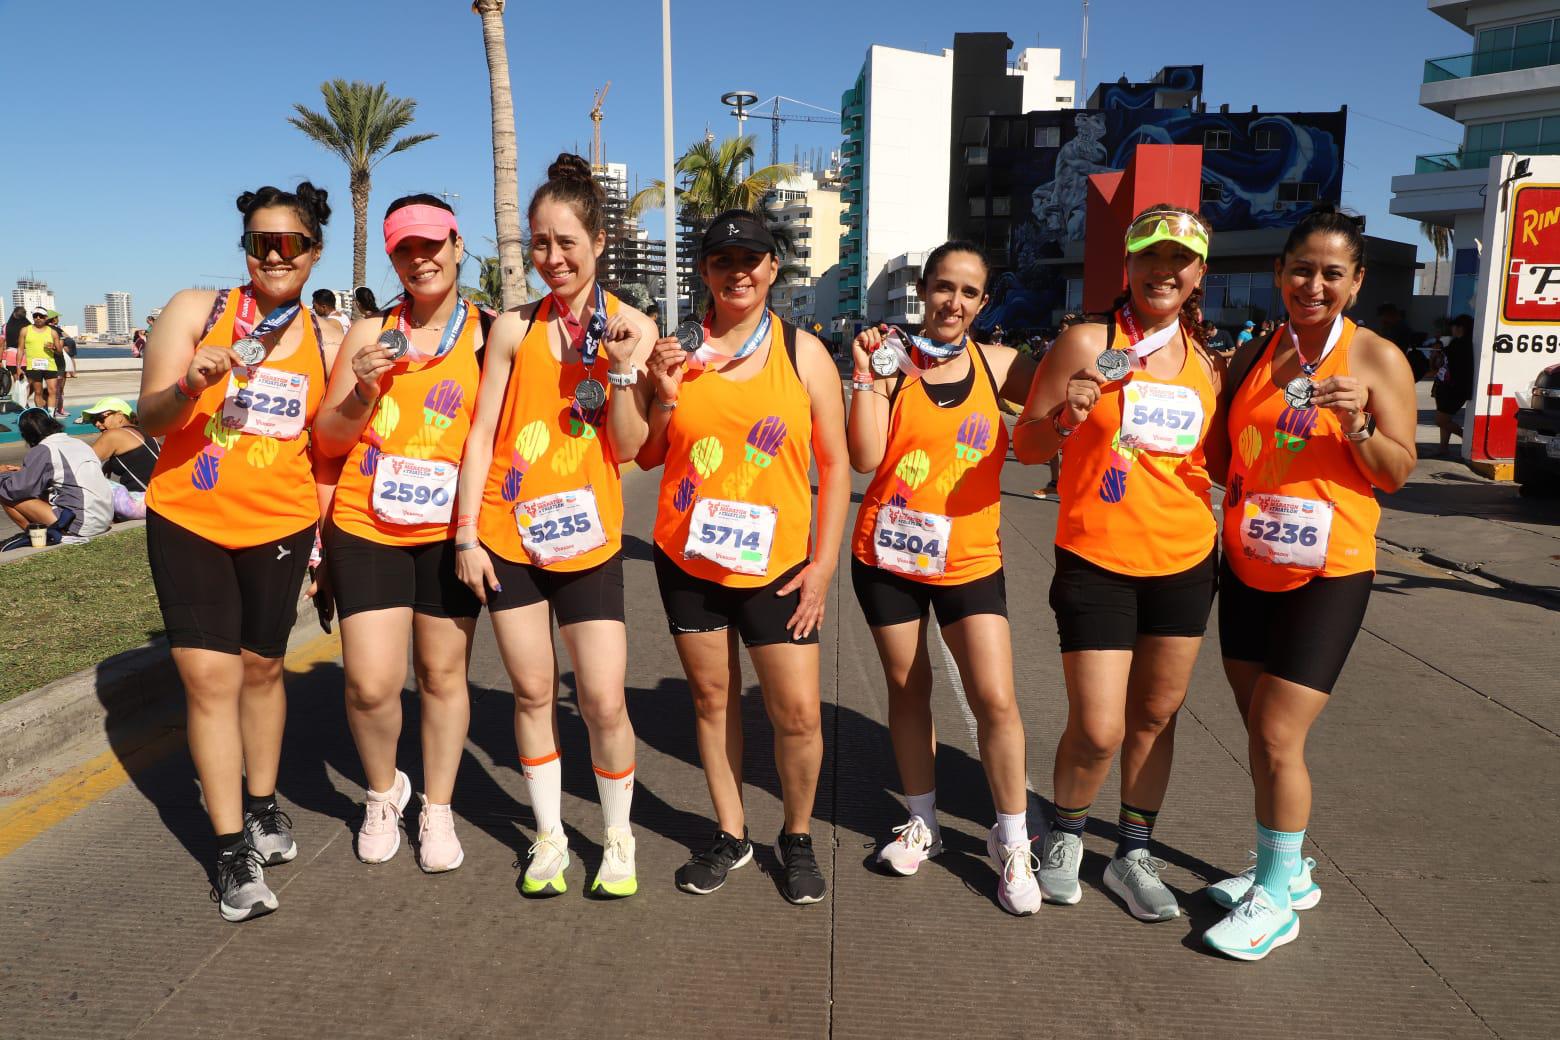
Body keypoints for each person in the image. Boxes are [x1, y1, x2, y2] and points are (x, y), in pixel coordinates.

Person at [1202, 205, 1417, 960]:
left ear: (1355, 283)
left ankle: (1276, 902)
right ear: (1277, 274)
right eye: (1301, 269)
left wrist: (1360, 428)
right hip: (1251, 567)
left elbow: (1397, 472)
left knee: (1277, 732)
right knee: (1258, 732)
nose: (1314, 284)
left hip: (1330, 571)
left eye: (1332, 273)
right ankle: (1284, 873)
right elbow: (1226, 462)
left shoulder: (1377, 359)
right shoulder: (1255, 356)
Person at [455, 155, 659, 898]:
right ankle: (547, 839)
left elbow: (633, 446)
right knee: (532, 693)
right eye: (539, 244)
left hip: (590, 541)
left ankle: (618, 838)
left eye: (566, 242)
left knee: (603, 698)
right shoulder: (511, 327)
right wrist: (467, 534)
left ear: (599, 240)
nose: (553, 258)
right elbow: (481, 435)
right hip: (511, 537)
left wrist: (625, 370)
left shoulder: (633, 326)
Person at [1014, 204, 1224, 923]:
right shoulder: (1085, 340)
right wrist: (1067, 414)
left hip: (1185, 558)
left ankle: (1134, 852)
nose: (1164, 271)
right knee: (1100, 725)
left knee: (1156, 718)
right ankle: (1067, 835)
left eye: (1180, 260)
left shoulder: (1203, 364)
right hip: (1097, 557)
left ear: (1199, 273)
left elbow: (1205, 462)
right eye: (1151, 258)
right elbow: (1028, 447)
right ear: (1127, 266)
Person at [139, 181, 343, 923]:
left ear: (314, 252)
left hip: (280, 525)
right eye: (262, 242)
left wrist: (330, 542)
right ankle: (230, 848)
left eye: (290, 243)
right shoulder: (199, 310)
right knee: (208, 681)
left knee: (262, 669)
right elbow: (150, 415)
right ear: (246, 249)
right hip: (190, 518)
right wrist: (190, 381)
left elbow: (329, 442)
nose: (275, 255)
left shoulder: (324, 334)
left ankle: (262, 802)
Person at [633, 208, 850, 905]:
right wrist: (663, 399)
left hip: (780, 567)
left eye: (751, 260)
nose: (739, 272)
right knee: (712, 699)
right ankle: (731, 833)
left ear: (773, 269)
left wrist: (821, 567)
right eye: (723, 261)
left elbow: (837, 465)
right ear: (704, 271)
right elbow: (647, 454)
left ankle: (797, 835)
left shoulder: (803, 352)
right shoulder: (674, 353)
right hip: (689, 561)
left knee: (798, 714)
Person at [846, 241, 1042, 915]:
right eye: (943, 288)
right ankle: (923, 822)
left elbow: (1061, 411)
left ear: (983, 303)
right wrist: (867, 378)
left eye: (968, 292)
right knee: (909, 689)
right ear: (923, 291)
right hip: (888, 557)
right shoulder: (891, 363)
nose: (953, 302)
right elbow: (866, 457)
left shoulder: (1003, 365)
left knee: (995, 698)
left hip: (968, 560)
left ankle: (1012, 841)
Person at [315, 194, 484, 875]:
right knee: (371, 684)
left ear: (456, 244)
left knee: (443, 676)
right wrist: (360, 391)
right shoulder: (368, 335)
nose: (422, 259)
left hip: (449, 532)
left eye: (432, 244)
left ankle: (436, 806)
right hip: (368, 524)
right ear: (393, 258)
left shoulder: (488, 334)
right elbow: (327, 439)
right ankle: (384, 793)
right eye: (406, 250)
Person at [0, 407, 114, 549]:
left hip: (82, 523)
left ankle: (37, 536)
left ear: (26, 434)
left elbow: (17, 489)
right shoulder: (78, 443)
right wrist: (24, 472)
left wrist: (3, 474)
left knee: (5, 494)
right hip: (104, 518)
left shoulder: (43, 449)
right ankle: (44, 531)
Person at [77, 397, 160, 519]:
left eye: (101, 418)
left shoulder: (114, 435)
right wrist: (109, 464)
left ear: (120, 415)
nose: (97, 424)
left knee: (80, 478)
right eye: (93, 420)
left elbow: (78, 464)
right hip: (161, 499)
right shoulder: (145, 431)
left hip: (143, 504)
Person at [1431, 313, 1474, 458]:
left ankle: (1469, 440)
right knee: (1445, 420)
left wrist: (1441, 349)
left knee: (1441, 420)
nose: (1452, 330)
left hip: (1452, 389)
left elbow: (1447, 360)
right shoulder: (1465, 343)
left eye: (1454, 327)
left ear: (1460, 328)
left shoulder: (1459, 344)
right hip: (1449, 387)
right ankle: (1443, 448)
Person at [20, 306, 61, 413]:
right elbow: (20, 350)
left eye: (41, 316)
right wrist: (18, 367)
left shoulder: (52, 332)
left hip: (50, 366)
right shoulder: (25, 330)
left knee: (53, 391)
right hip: (33, 366)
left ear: (46, 317)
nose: (38, 318)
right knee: (38, 392)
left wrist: (53, 348)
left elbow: (59, 352)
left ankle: (51, 415)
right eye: (35, 316)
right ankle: (42, 414)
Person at [1375, 303, 1428, 381]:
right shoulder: (1400, 327)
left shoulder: (1397, 328)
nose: (1382, 319)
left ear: (1390, 314)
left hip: (1394, 365)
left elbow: (1389, 345)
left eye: (1383, 316)